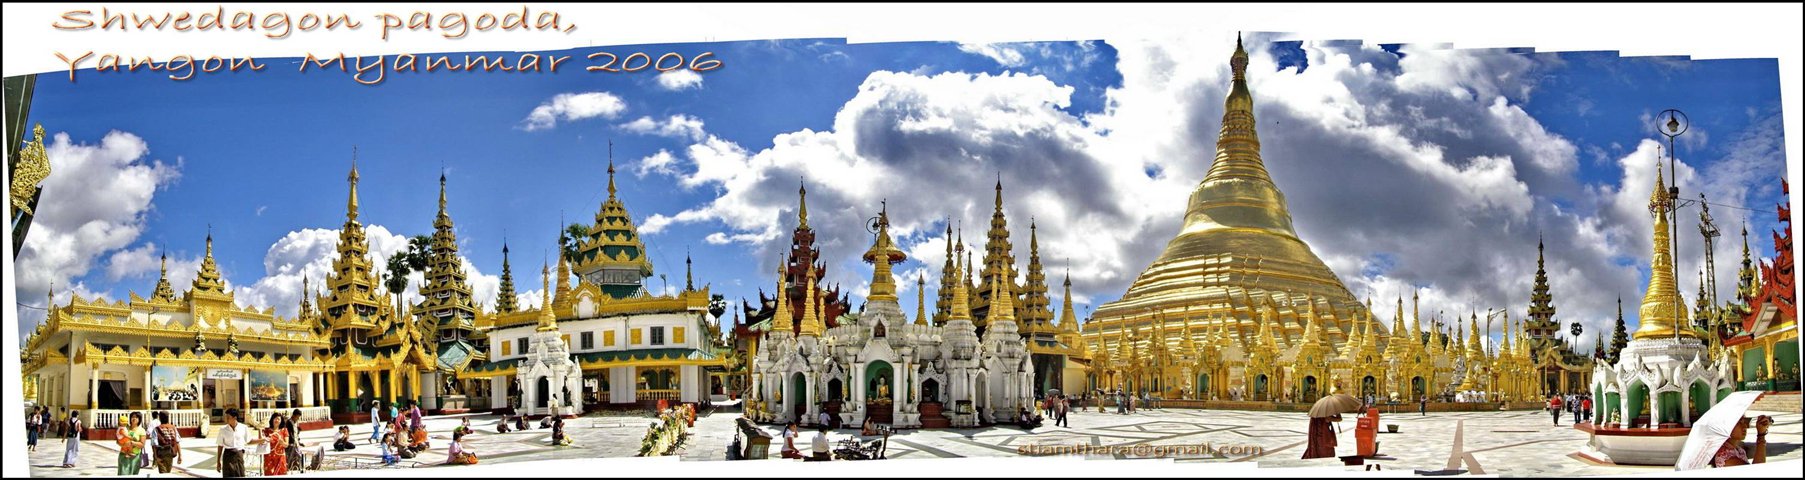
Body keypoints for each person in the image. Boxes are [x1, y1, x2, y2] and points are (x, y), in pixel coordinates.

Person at [216, 408, 252, 478]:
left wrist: (262, 440)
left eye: (228, 417)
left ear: (234, 417)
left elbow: (249, 440)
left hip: (239, 455)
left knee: (240, 474)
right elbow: (220, 445)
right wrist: (218, 462)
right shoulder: (223, 429)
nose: (226, 419)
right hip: (228, 456)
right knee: (228, 475)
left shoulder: (243, 427)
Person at [116, 411, 148, 476]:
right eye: (133, 417)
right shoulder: (125, 428)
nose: (134, 419)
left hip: (135, 457)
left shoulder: (141, 430)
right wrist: (123, 444)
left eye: (136, 417)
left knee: (134, 475)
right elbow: (117, 440)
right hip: (124, 455)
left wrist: (132, 443)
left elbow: (142, 444)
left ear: (139, 419)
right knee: (123, 474)